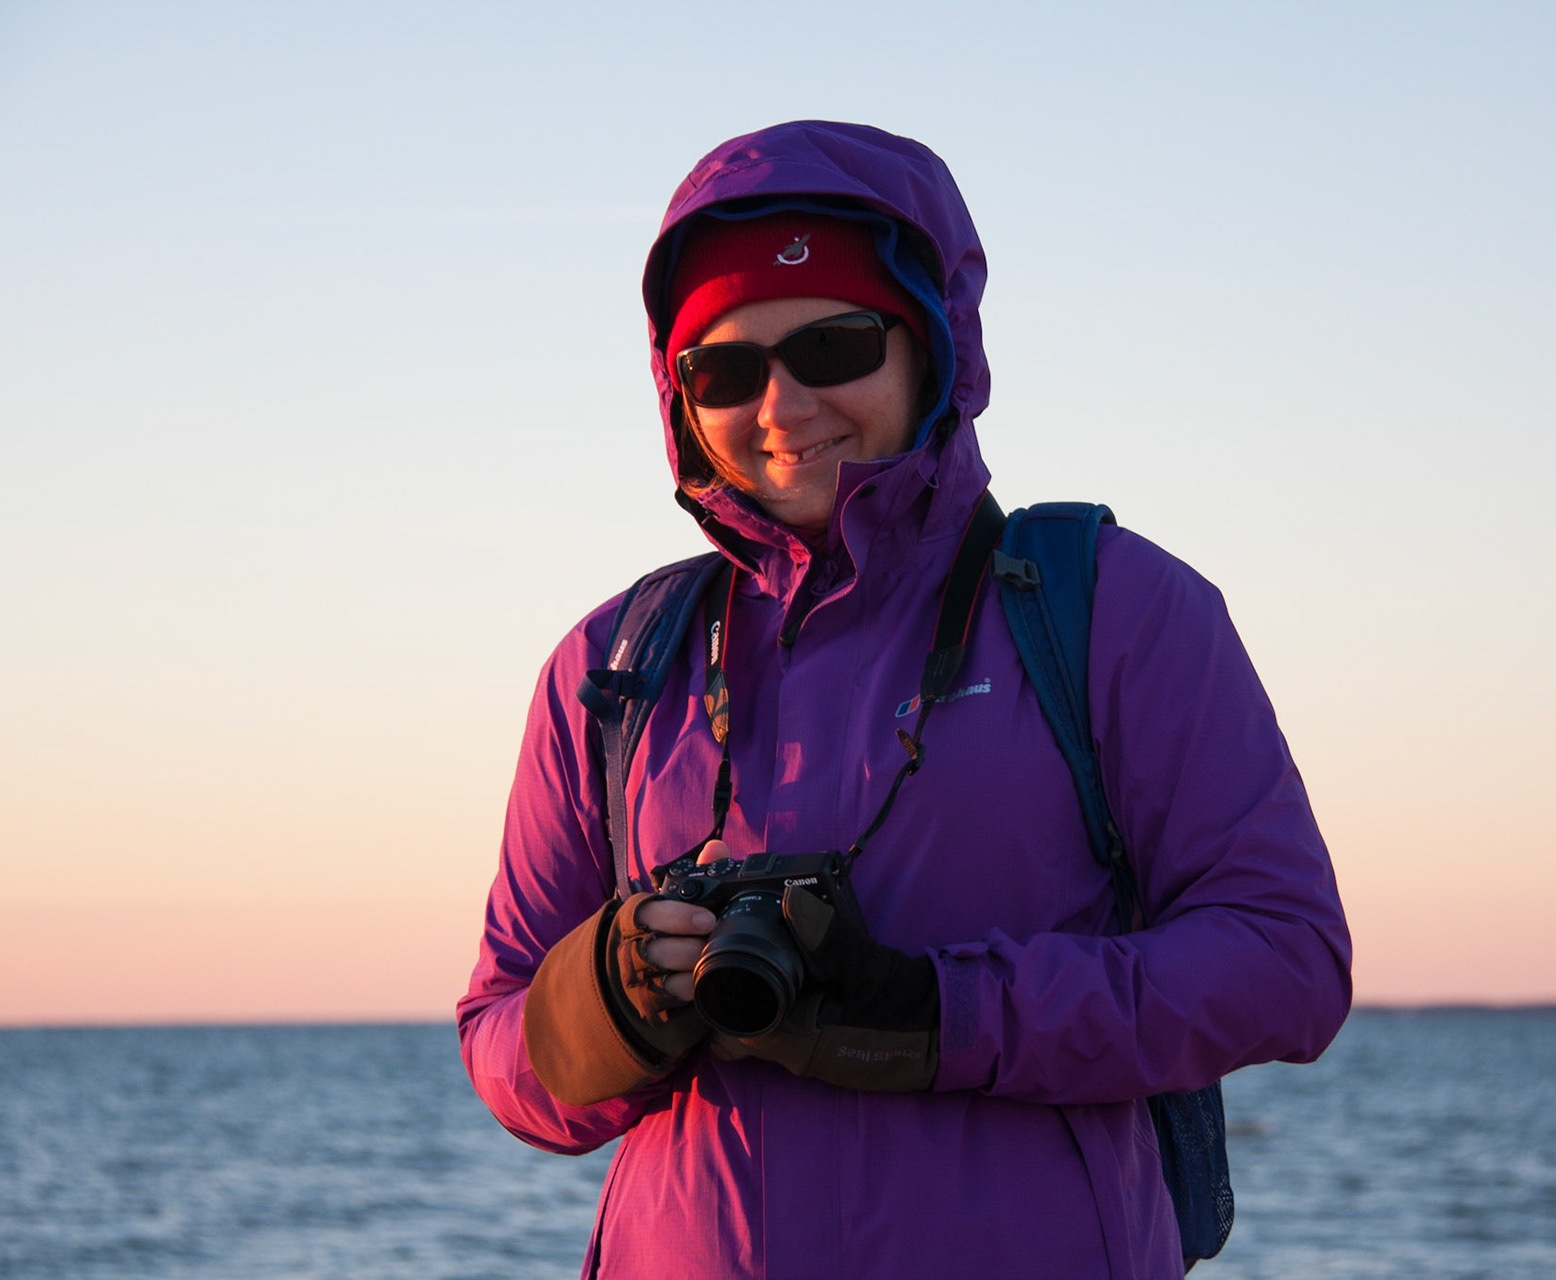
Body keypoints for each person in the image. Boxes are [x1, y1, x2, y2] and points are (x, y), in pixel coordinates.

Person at [458, 120, 1352, 1280]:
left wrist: (943, 1013)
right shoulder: (616, 667)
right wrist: (611, 998)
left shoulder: (1113, 609)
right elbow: (501, 1040)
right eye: (722, 370)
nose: (781, 405)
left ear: (933, 347)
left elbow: (1287, 961)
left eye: (833, 346)